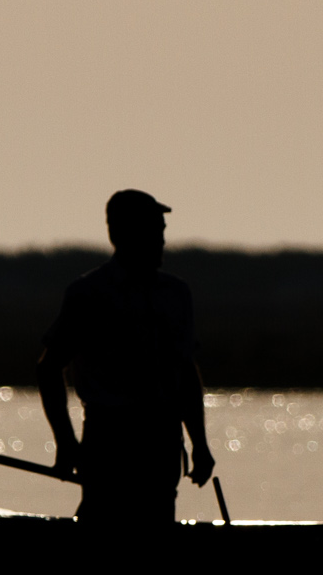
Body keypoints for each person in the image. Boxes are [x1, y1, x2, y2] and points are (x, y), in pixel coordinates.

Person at [36, 190, 216, 525]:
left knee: (156, 527)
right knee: (104, 525)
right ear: (122, 234)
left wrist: (200, 445)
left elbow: (186, 374)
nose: (162, 239)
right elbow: (49, 368)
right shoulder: (89, 293)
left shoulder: (176, 294)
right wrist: (66, 442)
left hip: (162, 440)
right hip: (109, 440)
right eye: (154, 230)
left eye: (162, 230)